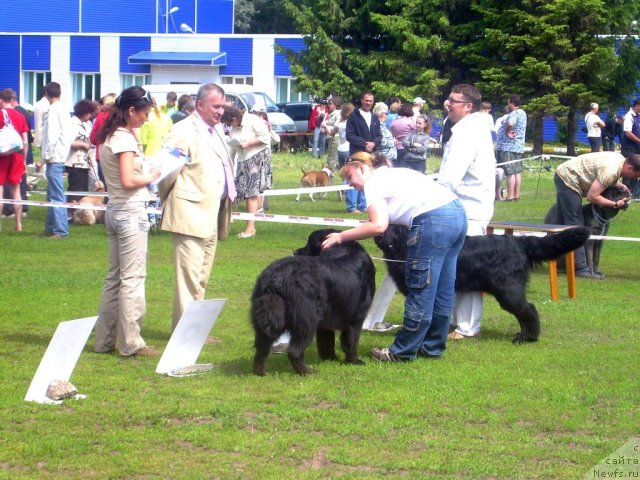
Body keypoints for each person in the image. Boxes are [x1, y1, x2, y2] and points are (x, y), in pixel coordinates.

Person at [321, 151, 467, 362]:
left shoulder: (374, 182)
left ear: (362, 168)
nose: (350, 184)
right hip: (457, 214)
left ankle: (402, 351)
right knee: (443, 288)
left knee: (421, 287)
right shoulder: (396, 173)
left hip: (433, 221)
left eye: (350, 177)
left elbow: (378, 225)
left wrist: (340, 236)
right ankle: (432, 347)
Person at [160, 83, 237, 330]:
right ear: (200, 104)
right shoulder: (183, 129)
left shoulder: (217, 131)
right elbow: (166, 173)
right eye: (216, 106)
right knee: (189, 279)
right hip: (189, 212)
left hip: (211, 213)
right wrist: (174, 201)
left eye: (223, 107)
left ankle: (195, 329)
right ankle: (184, 333)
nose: (220, 111)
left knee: (201, 278)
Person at [93, 86, 161, 357]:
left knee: (114, 279)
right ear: (131, 111)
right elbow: (128, 180)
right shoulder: (123, 138)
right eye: (144, 113)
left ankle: (104, 341)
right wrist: (152, 176)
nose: (146, 118)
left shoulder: (112, 134)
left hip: (116, 211)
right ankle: (131, 342)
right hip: (130, 212)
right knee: (132, 278)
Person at [438, 83, 496, 340]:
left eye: (454, 101)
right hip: (466, 207)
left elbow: (450, 177)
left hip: (468, 209)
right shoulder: (470, 128)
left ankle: (468, 326)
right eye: (448, 99)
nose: (448, 104)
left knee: (469, 270)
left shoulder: (467, 133)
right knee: (453, 267)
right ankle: (451, 319)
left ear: (469, 106)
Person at [554, 151, 640, 279]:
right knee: (575, 224)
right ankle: (581, 268)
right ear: (630, 167)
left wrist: (621, 185)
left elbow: (606, 178)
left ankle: (561, 264)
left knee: (561, 225)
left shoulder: (620, 160)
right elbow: (592, 196)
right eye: (635, 175)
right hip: (568, 179)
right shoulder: (610, 171)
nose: (634, 179)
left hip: (564, 172)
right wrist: (615, 204)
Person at [221, 105, 272, 238]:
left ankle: (250, 228)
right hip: (243, 161)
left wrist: (247, 144)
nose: (228, 125)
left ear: (234, 118)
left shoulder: (252, 119)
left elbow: (266, 138)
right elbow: (231, 150)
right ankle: (223, 224)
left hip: (257, 158)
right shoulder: (233, 129)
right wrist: (228, 167)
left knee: (251, 194)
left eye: (228, 122)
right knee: (235, 191)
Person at [40, 81, 72, 239]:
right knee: (51, 194)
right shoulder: (64, 109)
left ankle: (61, 230)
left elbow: (51, 136)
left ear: (46, 94)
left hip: (54, 157)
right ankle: (50, 227)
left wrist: (44, 158)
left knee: (56, 195)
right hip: (61, 155)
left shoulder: (53, 110)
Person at [0, 89, 30, 231]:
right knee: (16, 191)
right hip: (17, 156)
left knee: (0, 191)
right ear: (12, 99)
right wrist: (24, 159)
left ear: (1, 100)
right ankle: (18, 224)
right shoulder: (20, 116)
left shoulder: (0, 114)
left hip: (2, 157)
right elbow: (25, 141)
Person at [65, 99, 98, 216]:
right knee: (76, 188)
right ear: (83, 112)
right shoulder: (72, 124)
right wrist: (84, 145)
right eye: (89, 113)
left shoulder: (86, 124)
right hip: (75, 162)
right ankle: (70, 213)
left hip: (84, 162)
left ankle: (80, 213)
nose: (90, 116)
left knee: (83, 189)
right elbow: (70, 143)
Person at [495, 94, 527, 201]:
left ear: (512, 103)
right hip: (518, 147)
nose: (507, 104)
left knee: (510, 173)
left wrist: (507, 131)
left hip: (509, 147)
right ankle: (517, 195)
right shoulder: (523, 113)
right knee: (517, 172)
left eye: (508, 102)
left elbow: (510, 123)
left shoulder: (514, 113)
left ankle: (510, 196)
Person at [90, 93, 117, 185]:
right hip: (116, 154)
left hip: (101, 154)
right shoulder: (120, 116)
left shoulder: (100, 116)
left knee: (105, 186)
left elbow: (93, 138)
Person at [621, 99, 640, 200]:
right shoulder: (629, 116)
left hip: (636, 147)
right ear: (637, 106)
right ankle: (625, 193)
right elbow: (628, 133)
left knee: (637, 169)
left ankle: (634, 194)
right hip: (629, 148)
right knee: (629, 169)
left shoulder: (638, 116)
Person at [389, 103, 415, 168]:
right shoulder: (411, 123)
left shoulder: (394, 122)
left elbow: (391, 134)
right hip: (407, 148)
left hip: (395, 147)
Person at [322, 96, 342, 171]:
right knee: (331, 159)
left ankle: (331, 179)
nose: (329, 105)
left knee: (331, 161)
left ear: (336, 104)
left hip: (335, 138)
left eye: (330, 103)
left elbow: (337, 127)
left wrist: (325, 126)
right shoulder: (332, 114)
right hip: (331, 138)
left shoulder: (338, 114)